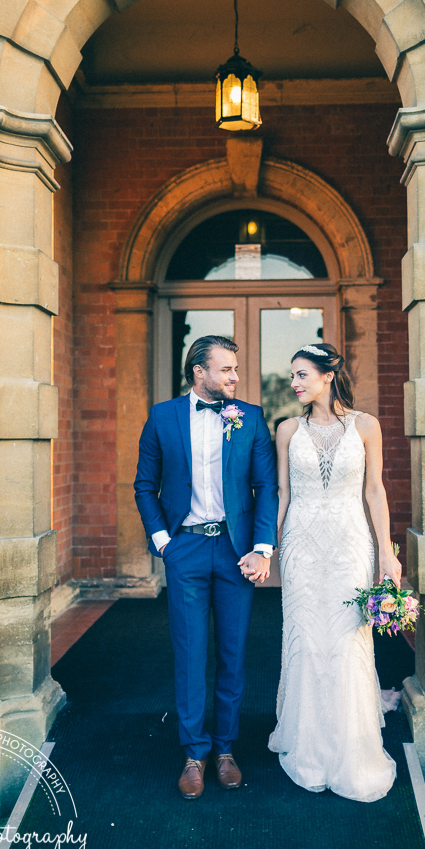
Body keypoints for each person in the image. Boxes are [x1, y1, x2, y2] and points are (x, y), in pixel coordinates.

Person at [134, 335, 278, 799]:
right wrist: (164, 544)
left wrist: (262, 548)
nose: (235, 377)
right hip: (187, 550)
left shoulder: (251, 418)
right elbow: (144, 486)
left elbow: (266, 488)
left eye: (235, 369)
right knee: (191, 652)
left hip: (237, 553)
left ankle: (225, 750)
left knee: (233, 654)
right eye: (226, 369)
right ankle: (193, 754)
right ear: (199, 372)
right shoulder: (163, 417)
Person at [268, 342, 400, 801]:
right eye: (292, 376)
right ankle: (307, 744)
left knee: (346, 640)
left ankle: (350, 748)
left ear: (327, 376)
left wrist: (387, 552)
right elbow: (282, 493)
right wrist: (270, 547)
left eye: (302, 374)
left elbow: (376, 493)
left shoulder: (366, 426)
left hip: (349, 545)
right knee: (306, 637)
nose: (294, 383)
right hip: (302, 546)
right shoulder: (286, 429)